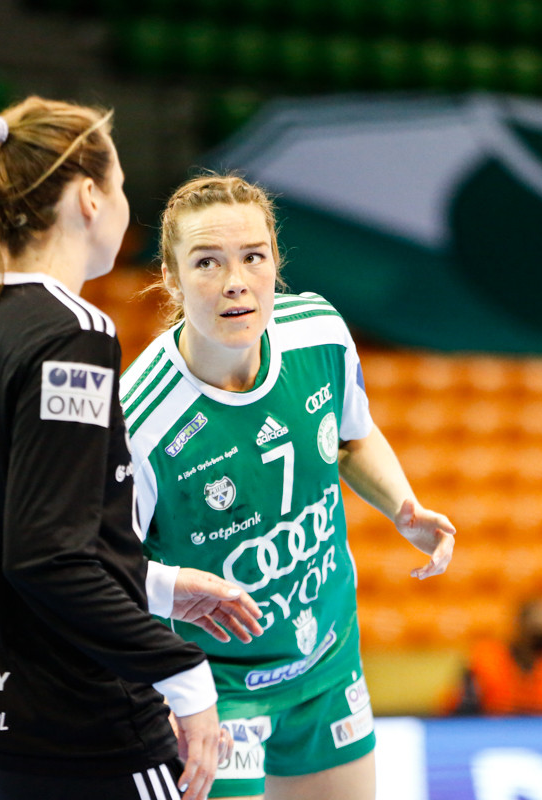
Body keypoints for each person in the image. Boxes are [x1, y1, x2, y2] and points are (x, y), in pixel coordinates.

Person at [0, 98, 259, 800]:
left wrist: (158, 586)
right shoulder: (71, 331)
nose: (125, 203)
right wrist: (184, 674)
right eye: (121, 184)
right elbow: (47, 558)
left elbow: (13, 536)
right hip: (67, 732)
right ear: (90, 197)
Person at [121, 174, 457, 800]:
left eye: (253, 256)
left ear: (276, 262)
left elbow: (354, 439)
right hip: (212, 687)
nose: (236, 282)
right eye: (207, 262)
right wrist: (157, 687)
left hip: (327, 660)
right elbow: (107, 573)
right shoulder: (139, 419)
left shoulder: (320, 333)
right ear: (170, 278)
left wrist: (401, 505)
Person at [439, 598, 542, 717]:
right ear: (519, 627)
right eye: (533, 632)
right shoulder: (488, 658)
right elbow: (461, 707)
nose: (537, 641)